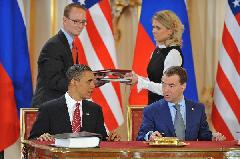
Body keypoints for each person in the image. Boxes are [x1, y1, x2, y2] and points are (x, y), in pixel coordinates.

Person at [31, 3, 105, 107]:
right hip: (48, 110)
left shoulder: (71, 46)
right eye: (75, 21)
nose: (80, 26)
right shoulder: (53, 45)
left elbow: (71, 77)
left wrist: (91, 81)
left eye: (83, 22)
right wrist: (83, 85)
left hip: (62, 107)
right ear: (65, 20)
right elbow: (54, 81)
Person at [29, 64, 120, 142]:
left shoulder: (95, 109)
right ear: (74, 82)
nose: (93, 85)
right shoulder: (48, 109)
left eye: (93, 81)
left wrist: (110, 140)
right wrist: (42, 138)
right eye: (89, 81)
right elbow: (32, 140)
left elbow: (101, 140)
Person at [137, 66, 225, 141]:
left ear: (183, 86)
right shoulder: (152, 110)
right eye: (164, 84)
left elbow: (204, 136)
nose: (165, 89)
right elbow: (141, 136)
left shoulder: (198, 109)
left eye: (171, 86)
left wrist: (213, 137)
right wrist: (150, 136)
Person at [126, 10, 184, 104]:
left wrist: (142, 82)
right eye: (153, 27)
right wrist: (137, 78)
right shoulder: (157, 50)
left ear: (170, 31)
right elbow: (153, 80)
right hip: (154, 107)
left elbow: (167, 89)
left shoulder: (173, 53)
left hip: (166, 110)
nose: (153, 31)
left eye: (158, 28)